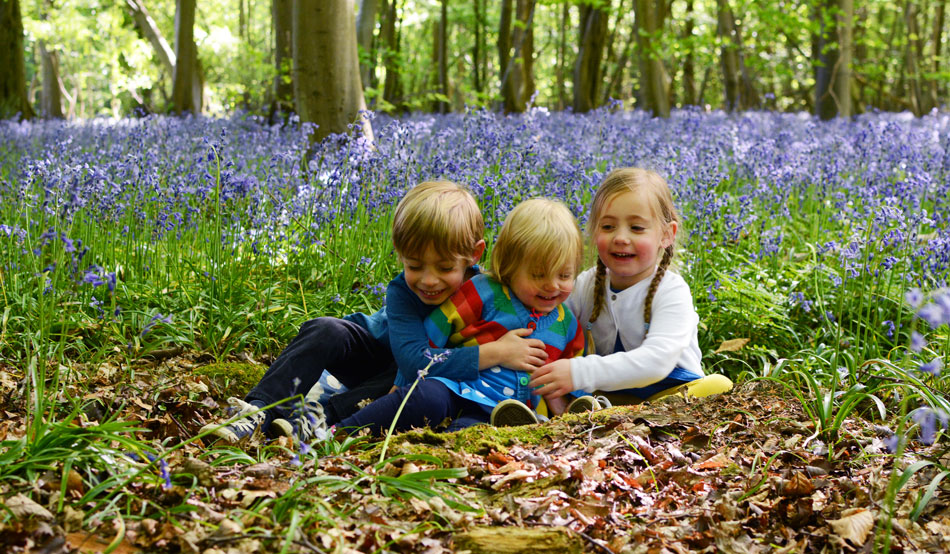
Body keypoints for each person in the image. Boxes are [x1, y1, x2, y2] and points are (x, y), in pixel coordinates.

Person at [200, 181, 548, 444]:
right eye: (414, 266)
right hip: (378, 350)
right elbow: (416, 360)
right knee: (326, 329)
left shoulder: (488, 292)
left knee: (410, 379)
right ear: (399, 253)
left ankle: (319, 418)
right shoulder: (402, 292)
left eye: (444, 268)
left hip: (413, 376)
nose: (428, 280)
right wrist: (494, 353)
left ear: (474, 255)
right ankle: (259, 410)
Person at [332, 198, 586, 435]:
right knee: (427, 397)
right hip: (456, 387)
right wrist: (403, 381)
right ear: (510, 267)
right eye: (538, 275)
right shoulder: (485, 292)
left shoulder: (567, 326)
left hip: (500, 414)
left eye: (564, 276)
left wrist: (564, 403)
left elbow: (566, 372)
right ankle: (340, 432)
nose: (552, 285)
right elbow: (434, 332)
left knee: (470, 433)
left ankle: (436, 452)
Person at [529, 168, 732, 409]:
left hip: (669, 394)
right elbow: (549, 325)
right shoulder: (585, 285)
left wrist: (578, 372)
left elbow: (656, 362)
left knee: (718, 385)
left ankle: (603, 416)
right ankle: (544, 415)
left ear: (666, 235)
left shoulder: (671, 290)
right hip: (607, 396)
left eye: (636, 228)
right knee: (541, 378)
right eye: (608, 227)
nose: (621, 238)